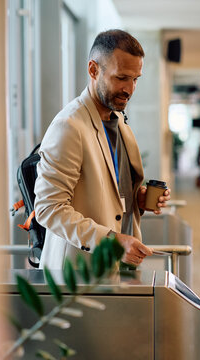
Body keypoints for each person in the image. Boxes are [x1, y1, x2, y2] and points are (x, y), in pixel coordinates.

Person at [33, 30, 171, 269]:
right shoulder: (69, 126)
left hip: (118, 271)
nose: (130, 89)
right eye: (121, 77)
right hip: (77, 275)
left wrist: (136, 199)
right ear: (93, 70)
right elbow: (49, 208)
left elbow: (109, 194)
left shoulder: (118, 122)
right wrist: (110, 241)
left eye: (136, 79)